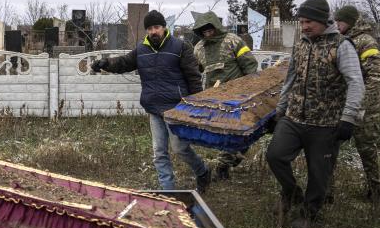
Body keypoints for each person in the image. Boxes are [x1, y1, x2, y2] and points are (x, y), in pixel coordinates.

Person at [265, 0, 365, 228]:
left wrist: (348, 118)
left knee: (319, 174)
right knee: (275, 156)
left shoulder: (342, 45)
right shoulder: (301, 43)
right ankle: (292, 193)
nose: (305, 26)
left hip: (325, 124)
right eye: (302, 21)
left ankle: (310, 213)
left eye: (309, 21)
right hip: (295, 118)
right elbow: (290, 77)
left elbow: (356, 83)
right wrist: (280, 111)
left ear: (323, 20)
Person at [92, 10, 211, 192]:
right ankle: (168, 192)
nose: (153, 31)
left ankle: (202, 172)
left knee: (180, 149)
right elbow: (124, 63)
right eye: (149, 28)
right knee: (159, 153)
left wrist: (198, 104)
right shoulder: (142, 50)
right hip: (154, 108)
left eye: (156, 27)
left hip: (176, 109)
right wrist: (106, 63)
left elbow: (193, 77)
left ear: (164, 28)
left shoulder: (179, 47)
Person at [192, 11, 259, 180]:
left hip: (238, 96)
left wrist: (250, 89)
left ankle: (224, 164)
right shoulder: (199, 48)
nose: (207, 32)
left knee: (239, 131)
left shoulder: (233, 40)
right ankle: (226, 163)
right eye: (203, 30)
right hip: (214, 97)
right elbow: (196, 70)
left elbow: (249, 64)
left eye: (210, 28)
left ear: (216, 26)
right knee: (224, 133)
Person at [334, 5, 380, 203]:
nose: (337, 25)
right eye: (336, 21)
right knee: (331, 148)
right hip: (343, 107)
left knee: (366, 150)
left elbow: (375, 76)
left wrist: (362, 105)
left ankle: (376, 190)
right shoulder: (340, 41)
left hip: (365, 109)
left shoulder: (365, 42)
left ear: (351, 22)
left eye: (341, 21)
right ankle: (326, 191)